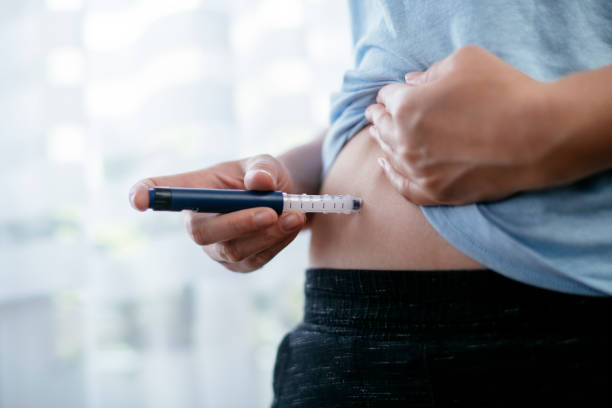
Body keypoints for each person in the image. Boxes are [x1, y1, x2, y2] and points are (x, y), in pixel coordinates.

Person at [130, 1, 612, 406]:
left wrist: (545, 127)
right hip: (345, 333)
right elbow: (397, 67)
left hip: (568, 322)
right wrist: (295, 173)